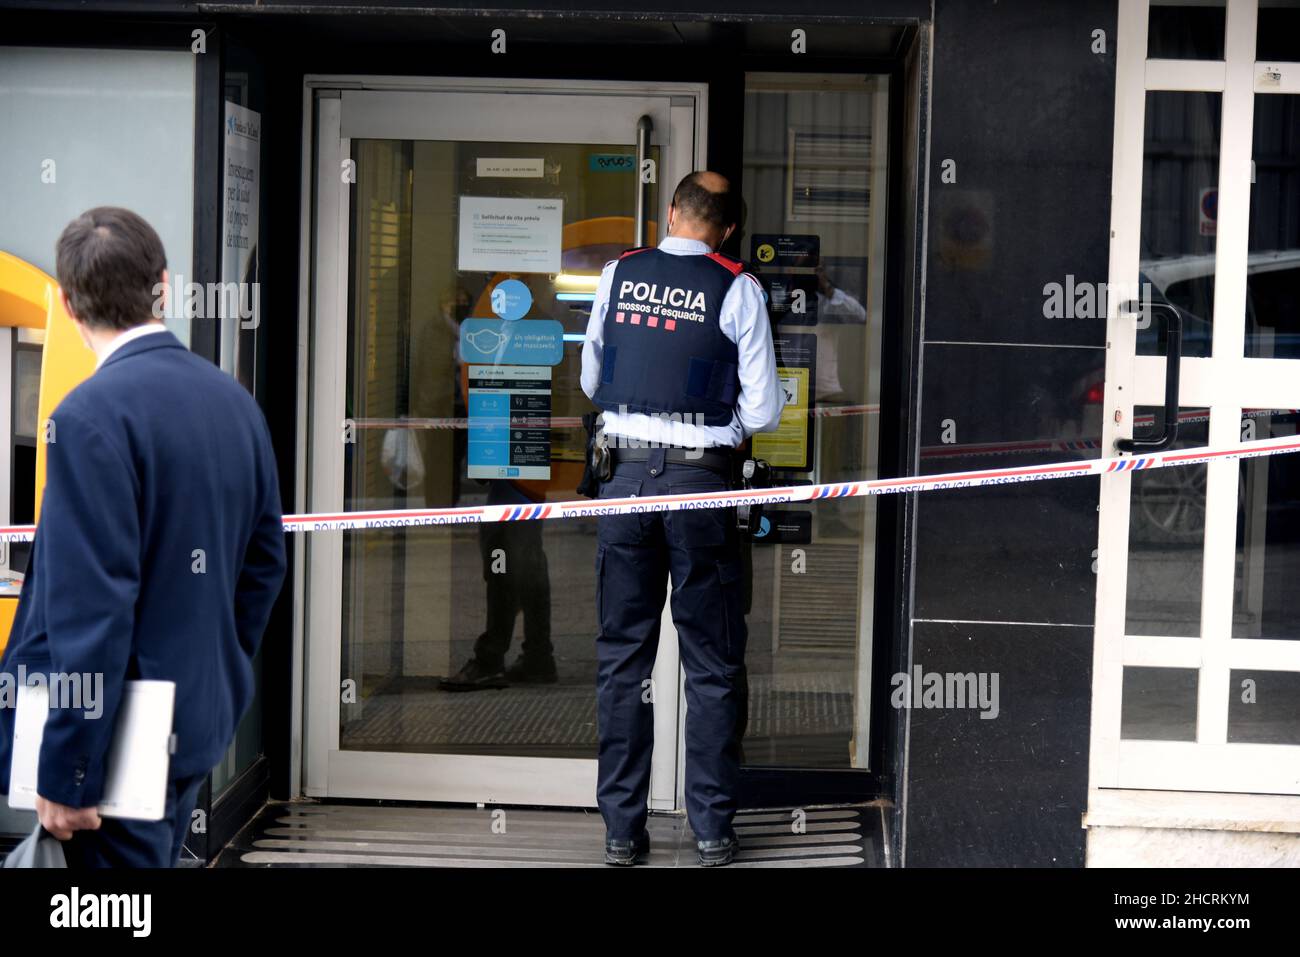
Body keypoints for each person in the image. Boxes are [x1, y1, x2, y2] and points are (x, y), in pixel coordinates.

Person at [0, 207, 287, 867]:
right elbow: (265, 565)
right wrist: (214, 667)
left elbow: (91, 609)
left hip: (112, 753)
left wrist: (68, 769)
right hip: (192, 725)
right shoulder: (235, 403)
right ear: (163, 283)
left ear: (68, 304)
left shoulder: (88, 417)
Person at [580, 171, 784, 866]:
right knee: (712, 661)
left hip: (626, 481)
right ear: (728, 230)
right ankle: (711, 829)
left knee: (622, 660)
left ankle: (620, 831)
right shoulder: (738, 288)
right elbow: (760, 412)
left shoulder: (619, 273)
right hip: (701, 484)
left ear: (672, 213)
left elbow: (590, 380)